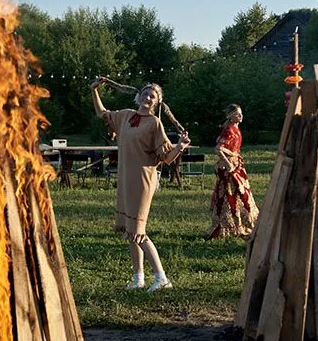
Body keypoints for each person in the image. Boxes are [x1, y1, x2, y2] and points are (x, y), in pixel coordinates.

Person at [92, 77, 190, 292]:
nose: (147, 97)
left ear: (157, 102)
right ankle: (138, 278)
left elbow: (166, 157)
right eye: (145, 93)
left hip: (143, 180)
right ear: (139, 96)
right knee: (129, 231)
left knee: (138, 230)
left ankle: (162, 277)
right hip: (126, 177)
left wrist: (180, 146)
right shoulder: (125, 116)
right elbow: (102, 113)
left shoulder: (155, 123)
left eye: (152, 95)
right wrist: (94, 91)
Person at [207, 104, 258, 239]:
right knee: (229, 197)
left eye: (241, 113)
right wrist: (228, 162)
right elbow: (218, 149)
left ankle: (242, 225)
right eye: (237, 114)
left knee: (240, 195)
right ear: (230, 116)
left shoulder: (235, 128)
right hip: (228, 168)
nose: (241, 116)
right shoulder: (229, 129)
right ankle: (227, 227)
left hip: (236, 165)